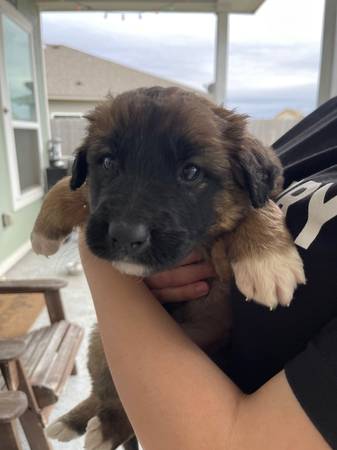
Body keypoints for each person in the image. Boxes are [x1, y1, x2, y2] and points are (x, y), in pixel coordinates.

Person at [79, 98, 337, 450]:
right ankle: (111, 412)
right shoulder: (327, 118)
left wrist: (104, 269)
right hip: (153, 370)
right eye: (108, 160)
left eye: (190, 172)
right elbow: (242, 192)